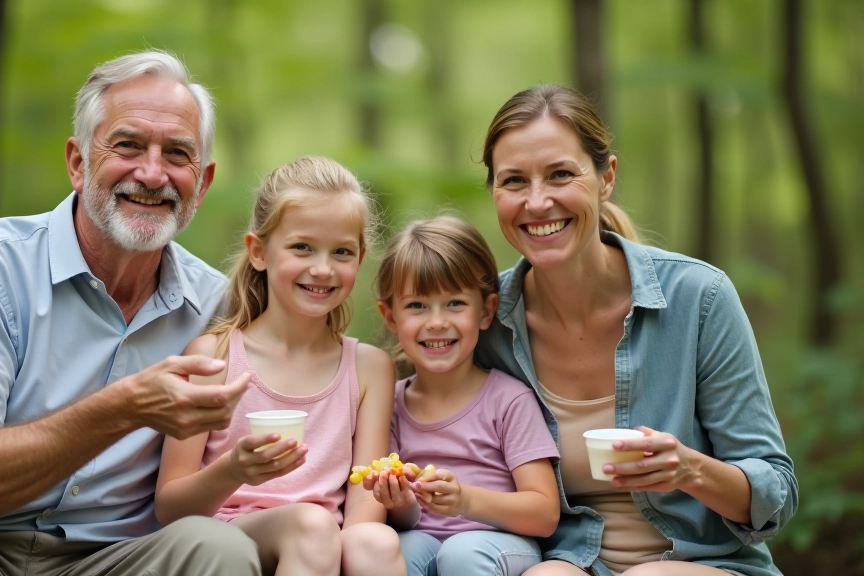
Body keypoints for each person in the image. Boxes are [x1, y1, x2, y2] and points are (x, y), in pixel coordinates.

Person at [0, 50, 260, 576]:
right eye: (128, 145)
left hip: (104, 560)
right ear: (78, 163)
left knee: (217, 548)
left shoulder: (220, 306)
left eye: (178, 154)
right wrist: (123, 408)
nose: (153, 174)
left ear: (203, 182)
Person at [472, 84, 798, 576]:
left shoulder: (698, 297)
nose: (537, 202)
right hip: (569, 560)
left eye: (561, 174)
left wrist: (688, 469)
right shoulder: (485, 322)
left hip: (706, 563)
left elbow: (777, 489)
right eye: (514, 181)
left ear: (606, 178)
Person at [154, 156, 405, 576]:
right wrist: (233, 470)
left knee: (376, 541)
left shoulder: (370, 368)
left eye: (341, 252)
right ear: (259, 252)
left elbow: (364, 508)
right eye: (302, 247)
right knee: (311, 524)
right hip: (227, 542)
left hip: (323, 548)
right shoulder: (213, 358)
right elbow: (170, 506)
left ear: (359, 260)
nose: (322, 268)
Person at [363, 215, 561, 576]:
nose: (436, 322)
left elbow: (545, 514)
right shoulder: (388, 404)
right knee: (396, 550)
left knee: (461, 553)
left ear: (485, 311)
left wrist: (465, 500)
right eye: (417, 306)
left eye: (454, 303)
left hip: (497, 541)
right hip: (422, 537)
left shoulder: (508, 400)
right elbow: (405, 522)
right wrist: (401, 501)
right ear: (390, 317)